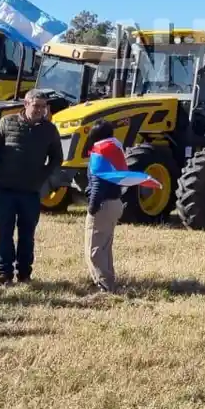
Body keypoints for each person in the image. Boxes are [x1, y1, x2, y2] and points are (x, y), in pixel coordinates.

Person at [0, 89, 63, 286]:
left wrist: (42, 176)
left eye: (43, 107)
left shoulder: (49, 130)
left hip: (30, 191)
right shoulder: (7, 123)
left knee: (27, 234)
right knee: (4, 232)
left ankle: (24, 274)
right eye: (36, 106)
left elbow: (56, 158)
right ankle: (4, 273)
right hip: (4, 190)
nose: (40, 110)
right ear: (26, 104)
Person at [84, 122, 126, 293]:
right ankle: (109, 281)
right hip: (116, 202)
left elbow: (97, 183)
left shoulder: (99, 152)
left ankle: (104, 286)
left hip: (103, 204)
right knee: (105, 246)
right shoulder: (115, 149)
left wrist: (92, 207)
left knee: (93, 248)